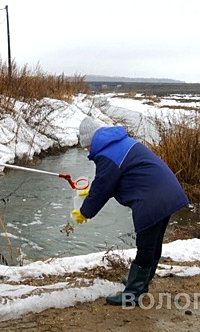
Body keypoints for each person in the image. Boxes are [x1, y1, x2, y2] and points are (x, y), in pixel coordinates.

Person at [71, 116, 189, 306]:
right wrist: (91, 193)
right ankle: (142, 280)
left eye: (86, 147)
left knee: (145, 245)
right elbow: (110, 181)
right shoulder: (120, 143)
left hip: (152, 199)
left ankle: (133, 293)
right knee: (154, 242)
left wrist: (85, 211)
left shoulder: (106, 155)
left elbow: (103, 187)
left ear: (91, 141)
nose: (87, 151)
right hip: (168, 191)